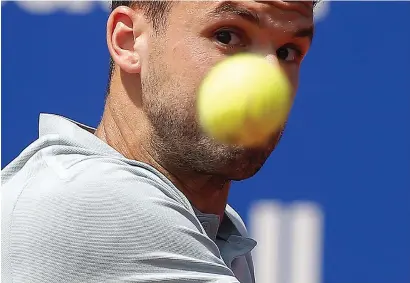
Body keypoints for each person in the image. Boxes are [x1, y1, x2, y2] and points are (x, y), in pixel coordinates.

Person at [1, 1, 317, 282]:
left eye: (287, 52)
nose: (269, 81)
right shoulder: (91, 204)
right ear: (128, 41)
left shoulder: (217, 227)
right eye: (227, 36)